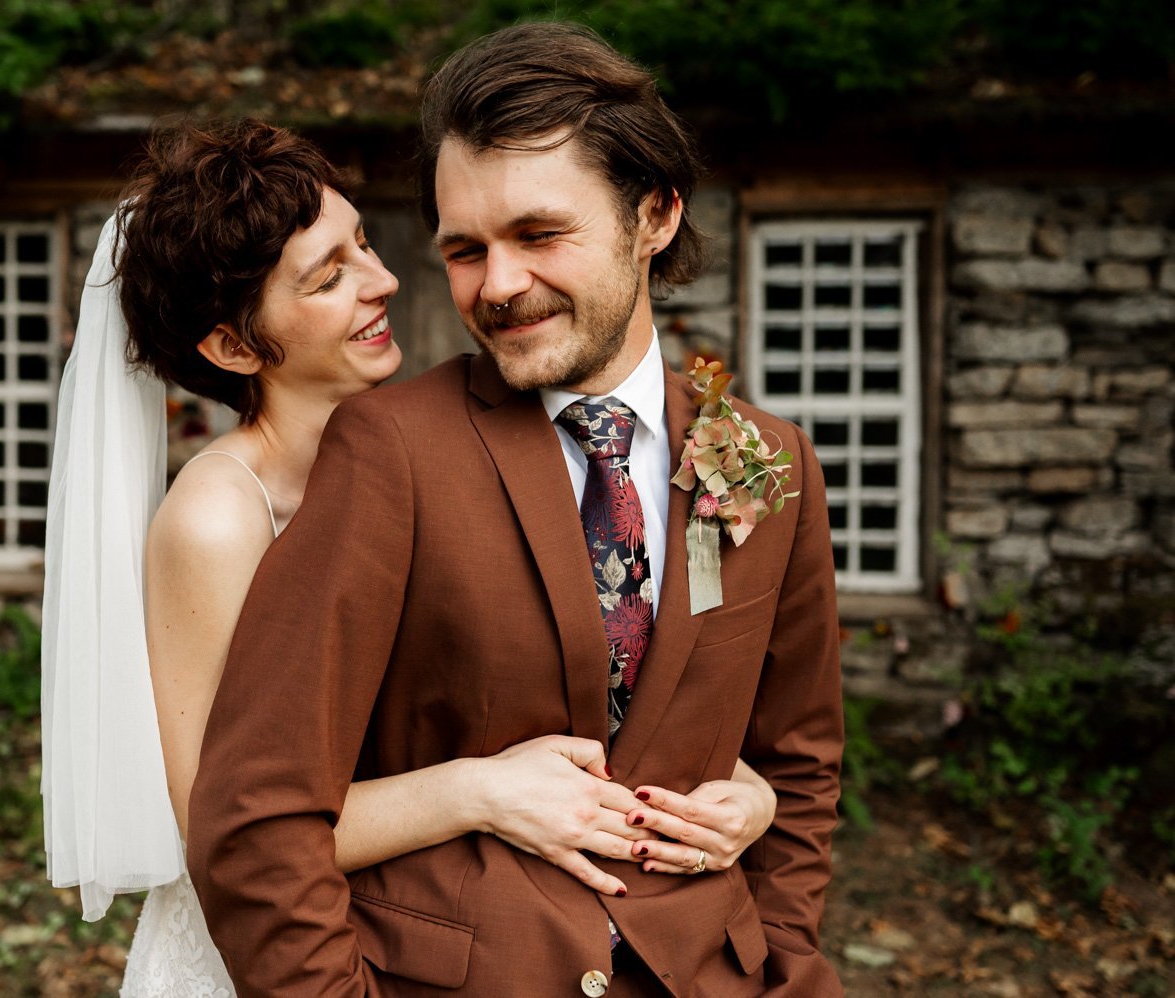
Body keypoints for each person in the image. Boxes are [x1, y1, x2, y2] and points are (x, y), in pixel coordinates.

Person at [39, 118, 780, 996]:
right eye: (329, 277)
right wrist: (477, 791)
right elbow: (222, 820)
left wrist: (746, 788)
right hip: (279, 951)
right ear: (234, 346)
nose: (384, 281)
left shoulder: (445, 445)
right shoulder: (216, 518)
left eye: (364, 244)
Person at [187, 22, 845, 998]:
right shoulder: (392, 449)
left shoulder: (759, 457)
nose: (497, 285)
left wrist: (780, 958)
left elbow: (801, 770)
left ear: (654, 214)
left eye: (539, 234)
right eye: (464, 250)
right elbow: (256, 815)